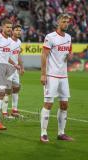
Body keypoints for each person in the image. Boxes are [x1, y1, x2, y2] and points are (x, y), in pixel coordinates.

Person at [40, 14, 73, 142]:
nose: (66, 23)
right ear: (58, 22)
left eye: (67, 22)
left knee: (64, 104)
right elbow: (44, 55)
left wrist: (69, 56)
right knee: (48, 103)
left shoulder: (69, 37)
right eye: (63, 21)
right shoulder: (50, 37)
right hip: (51, 75)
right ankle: (43, 133)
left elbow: (68, 53)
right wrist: (43, 74)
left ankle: (61, 133)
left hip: (64, 76)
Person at [1, 24, 25, 118]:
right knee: (7, 90)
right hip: (8, 68)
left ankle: (14, 110)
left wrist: (21, 67)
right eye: (16, 30)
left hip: (15, 69)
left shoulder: (19, 42)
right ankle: (4, 113)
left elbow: (18, 55)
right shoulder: (8, 41)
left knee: (16, 88)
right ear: (12, 31)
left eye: (20, 30)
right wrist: (14, 64)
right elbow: (5, 57)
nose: (19, 32)